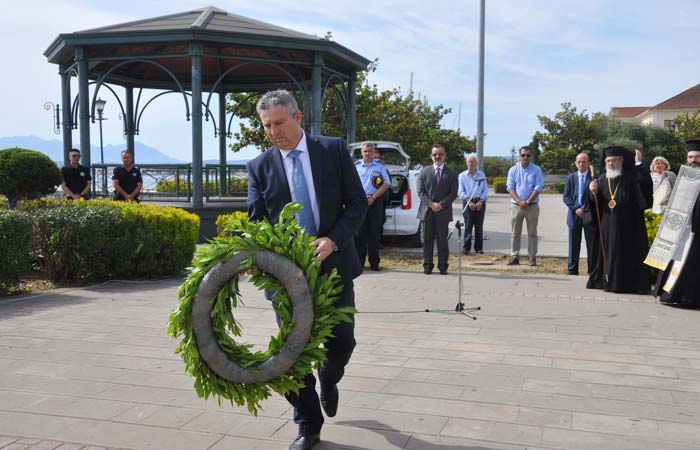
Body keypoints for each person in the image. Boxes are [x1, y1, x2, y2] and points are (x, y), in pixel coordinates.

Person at [246, 90, 367, 450]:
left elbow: (357, 203)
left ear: (298, 118)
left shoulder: (332, 149)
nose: (274, 132)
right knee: (292, 353)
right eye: (267, 126)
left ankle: (329, 377)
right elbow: (257, 221)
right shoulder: (259, 167)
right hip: (286, 278)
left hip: (334, 267)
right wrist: (255, 256)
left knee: (342, 342)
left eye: (279, 123)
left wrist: (333, 240)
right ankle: (308, 425)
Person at [586, 146, 652, 294]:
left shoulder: (631, 177)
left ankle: (628, 284)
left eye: (614, 160)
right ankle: (607, 281)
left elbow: (646, 189)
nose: (611, 164)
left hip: (629, 225)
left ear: (621, 161)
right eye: (608, 161)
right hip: (607, 226)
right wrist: (592, 192)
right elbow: (594, 204)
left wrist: (639, 164)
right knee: (609, 253)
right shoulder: (601, 179)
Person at [657, 139, 700, 308]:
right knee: (677, 261)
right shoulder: (683, 176)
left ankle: (690, 298)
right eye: (690, 157)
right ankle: (671, 294)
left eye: (697, 157)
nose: (693, 160)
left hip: (697, 229)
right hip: (681, 228)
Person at [417, 144, 458, 274]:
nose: (438, 156)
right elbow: (420, 192)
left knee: (442, 241)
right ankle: (427, 265)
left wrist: (440, 205)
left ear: (445, 156)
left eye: (440, 154)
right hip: (427, 212)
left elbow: (453, 193)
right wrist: (431, 204)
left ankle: (443, 266)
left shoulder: (451, 173)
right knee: (427, 241)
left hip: (443, 212)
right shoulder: (424, 172)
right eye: (435, 154)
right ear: (431, 156)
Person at [354, 141, 390, 270]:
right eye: (365, 151)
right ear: (361, 152)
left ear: (374, 152)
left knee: (374, 233)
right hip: (360, 202)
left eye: (370, 151)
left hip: (375, 202)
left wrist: (373, 197)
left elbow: (386, 183)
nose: (367, 153)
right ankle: (359, 263)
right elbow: (351, 183)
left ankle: (374, 263)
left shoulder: (380, 166)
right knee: (360, 234)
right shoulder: (356, 166)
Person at [506, 146, 544, 266]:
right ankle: (514, 256)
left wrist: (527, 201)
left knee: (532, 233)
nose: (525, 157)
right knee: (515, 233)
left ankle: (532, 257)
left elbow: (538, 187)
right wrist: (519, 201)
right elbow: (510, 187)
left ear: (531, 156)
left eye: (528, 155)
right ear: (520, 156)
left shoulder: (536, 170)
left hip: (532, 206)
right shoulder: (513, 170)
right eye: (523, 155)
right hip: (516, 206)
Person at [562, 153, 594, 275]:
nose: (581, 164)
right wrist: (576, 208)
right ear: (575, 163)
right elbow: (566, 197)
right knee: (573, 244)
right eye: (579, 162)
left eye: (584, 162)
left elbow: (595, 197)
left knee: (591, 244)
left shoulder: (594, 177)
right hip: (574, 215)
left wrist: (584, 209)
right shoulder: (570, 178)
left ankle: (592, 270)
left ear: (588, 163)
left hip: (589, 215)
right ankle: (572, 269)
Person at [457, 153, 487, 255]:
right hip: (467, 201)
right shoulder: (462, 176)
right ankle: (466, 248)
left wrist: (481, 201)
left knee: (479, 227)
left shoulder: (481, 175)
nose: (471, 163)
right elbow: (460, 191)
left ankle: (479, 248)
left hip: (480, 201)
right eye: (469, 161)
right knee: (468, 226)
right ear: (466, 163)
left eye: (473, 162)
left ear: (476, 163)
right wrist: (468, 202)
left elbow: (485, 190)